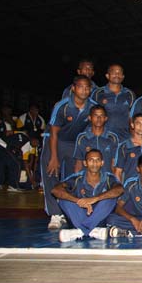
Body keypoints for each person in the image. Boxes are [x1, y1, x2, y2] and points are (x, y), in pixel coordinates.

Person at [41, 75, 96, 230]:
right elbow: (54, 132)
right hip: (56, 141)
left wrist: (80, 158)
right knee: (51, 174)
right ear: (73, 88)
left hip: (74, 144)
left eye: (87, 87)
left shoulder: (92, 107)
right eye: (81, 87)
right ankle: (54, 214)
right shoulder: (62, 106)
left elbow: (87, 135)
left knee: (73, 178)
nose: (84, 90)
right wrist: (53, 157)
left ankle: (68, 211)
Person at [52, 149, 123, 242]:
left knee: (110, 199)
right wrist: (77, 200)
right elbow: (55, 190)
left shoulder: (109, 178)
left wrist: (96, 199)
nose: (94, 163)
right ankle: (92, 231)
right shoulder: (77, 178)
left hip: (99, 218)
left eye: (97, 160)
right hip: (79, 217)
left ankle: (80, 231)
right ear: (85, 163)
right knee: (63, 199)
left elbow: (120, 189)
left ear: (102, 163)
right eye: (91, 160)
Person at [91, 64, 135, 139]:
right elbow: (91, 115)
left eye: (119, 73)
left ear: (123, 76)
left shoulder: (130, 94)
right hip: (103, 138)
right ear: (107, 76)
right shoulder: (98, 93)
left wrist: (133, 137)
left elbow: (132, 117)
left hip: (124, 138)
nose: (117, 75)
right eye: (114, 72)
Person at [72, 105, 119, 173]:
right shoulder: (82, 137)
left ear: (106, 118)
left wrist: (113, 179)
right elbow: (79, 163)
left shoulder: (112, 137)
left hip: (106, 177)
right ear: (90, 118)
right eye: (95, 115)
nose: (99, 118)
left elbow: (114, 163)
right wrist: (77, 178)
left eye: (101, 115)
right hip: (87, 177)